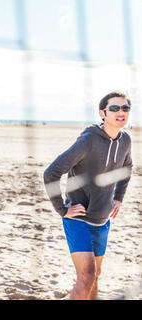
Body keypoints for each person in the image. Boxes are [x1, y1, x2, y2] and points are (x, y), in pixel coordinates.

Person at [43, 91, 133, 299]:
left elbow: (127, 167)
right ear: (103, 113)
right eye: (114, 108)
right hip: (79, 220)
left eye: (125, 108)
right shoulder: (89, 140)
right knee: (86, 276)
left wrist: (119, 197)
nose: (121, 112)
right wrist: (62, 209)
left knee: (95, 275)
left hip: (103, 221)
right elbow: (51, 172)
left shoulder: (125, 140)